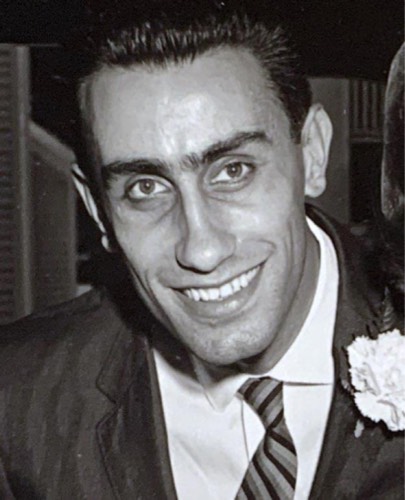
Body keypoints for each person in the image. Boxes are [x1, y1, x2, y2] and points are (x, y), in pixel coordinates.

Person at [0, 2, 403, 498]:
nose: (202, 250)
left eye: (233, 170)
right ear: (98, 210)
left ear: (313, 153)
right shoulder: (17, 402)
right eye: (146, 188)